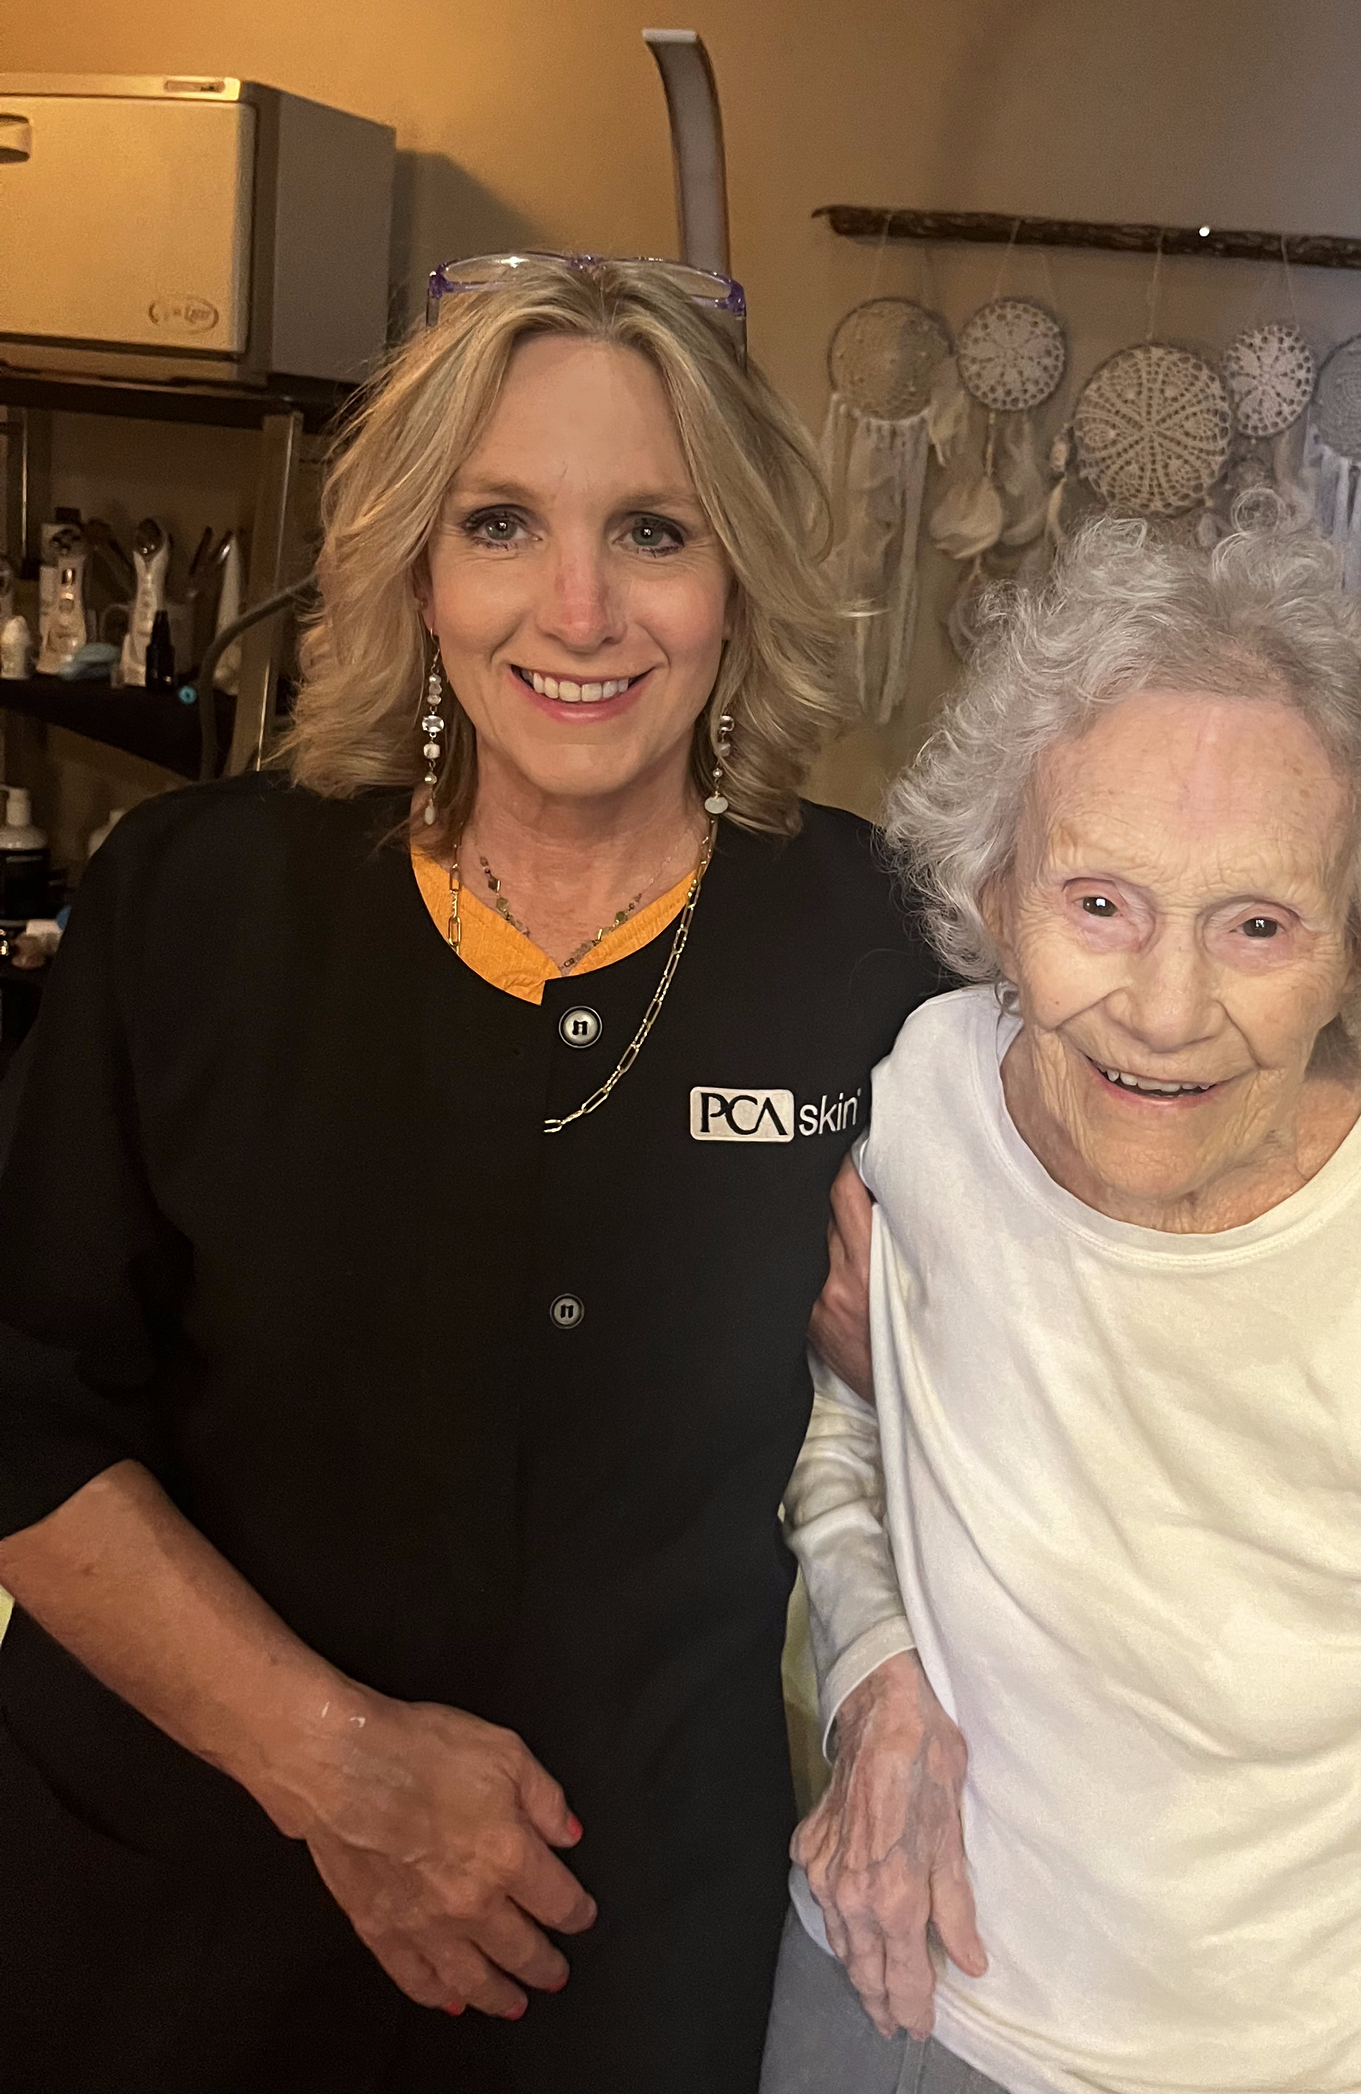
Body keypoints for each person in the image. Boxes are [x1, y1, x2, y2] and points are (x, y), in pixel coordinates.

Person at [0, 255, 944, 2093]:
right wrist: (334, 1763)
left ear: (739, 574)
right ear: (416, 574)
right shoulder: (197, 905)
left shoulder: (878, 958)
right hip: (176, 1921)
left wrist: (893, 1366)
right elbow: (21, 1412)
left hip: (628, 1948)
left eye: (654, 529)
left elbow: (1003, 1414)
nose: (577, 609)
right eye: (501, 522)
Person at [767, 521, 1361, 2094]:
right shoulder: (927, 1099)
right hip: (894, 1996)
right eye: (1098, 902)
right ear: (997, 898)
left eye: (1257, 923)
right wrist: (874, 1674)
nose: (1166, 1013)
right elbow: (842, 1437)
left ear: (1357, 954)